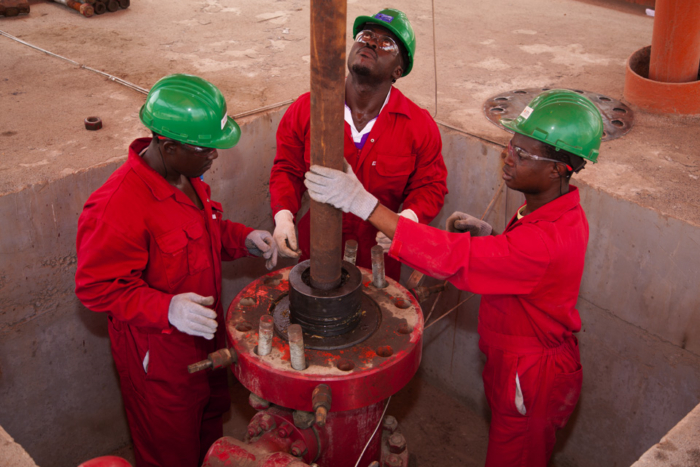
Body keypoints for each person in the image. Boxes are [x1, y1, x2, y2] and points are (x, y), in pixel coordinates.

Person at [304, 89, 603, 466]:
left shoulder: (543, 242)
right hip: (519, 360)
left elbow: (457, 259)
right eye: (511, 144)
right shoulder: (556, 210)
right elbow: (525, 261)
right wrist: (496, 242)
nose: (507, 157)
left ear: (559, 169)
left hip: (532, 377)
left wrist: (364, 204)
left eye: (522, 154)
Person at [75, 74, 278, 467]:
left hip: (204, 341)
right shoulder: (118, 207)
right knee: (172, 453)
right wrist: (166, 309)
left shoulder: (184, 176)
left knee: (208, 440)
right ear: (168, 146)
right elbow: (96, 287)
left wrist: (243, 238)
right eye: (207, 149)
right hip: (160, 365)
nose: (214, 156)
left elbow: (202, 233)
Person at [270, 8, 448, 280]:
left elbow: (430, 185)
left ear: (398, 70)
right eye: (365, 35)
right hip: (313, 249)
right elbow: (287, 168)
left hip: (378, 255)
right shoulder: (307, 109)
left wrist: (406, 222)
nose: (371, 43)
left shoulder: (418, 125)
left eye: (386, 43)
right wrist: (283, 215)